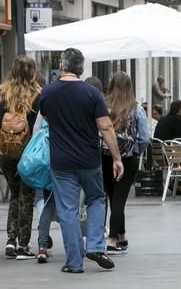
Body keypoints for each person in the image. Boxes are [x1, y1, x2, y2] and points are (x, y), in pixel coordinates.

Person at [39, 48, 124, 273]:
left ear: (62, 65)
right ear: (81, 67)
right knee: (96, 198)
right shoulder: (91, 93)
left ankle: (74, 262)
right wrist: (116, 157)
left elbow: (47, 117)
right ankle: (95, 245)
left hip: (61, 161)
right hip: (89, 159)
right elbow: (105, 126)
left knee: (68, 210)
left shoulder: (48, 92)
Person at [101, 72, 149, 255]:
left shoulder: (103, 106)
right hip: (128, 159)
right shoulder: (136, 109)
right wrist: (136, 150)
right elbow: (144, 137)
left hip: (105, 157)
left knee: (111, 197)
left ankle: (121, 236)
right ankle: (113, 239)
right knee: (119, 199)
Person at [0, 57, 41, 259]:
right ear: (32, 72)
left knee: (15, 194)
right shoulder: (38, 95)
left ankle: (10, 240)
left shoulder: (2, 93)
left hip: (6, 152)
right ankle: (23, 245)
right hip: (29, 153)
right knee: (26, 196)